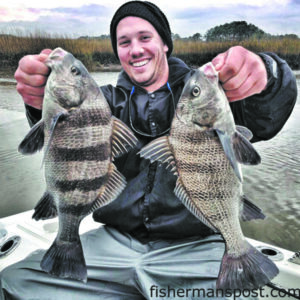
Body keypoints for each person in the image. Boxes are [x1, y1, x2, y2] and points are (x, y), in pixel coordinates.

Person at [0, 1, 297, 299]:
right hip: (113, 243)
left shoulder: (206, 95)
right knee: (13, 281)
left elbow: (265, 116)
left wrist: (267, 74)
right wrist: (37, 102)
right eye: (124, 42)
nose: (135, 49)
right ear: (117, 51)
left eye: (145, 37)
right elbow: (65, 142)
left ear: (165, 44)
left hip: (196, 244)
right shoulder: (99, 101)